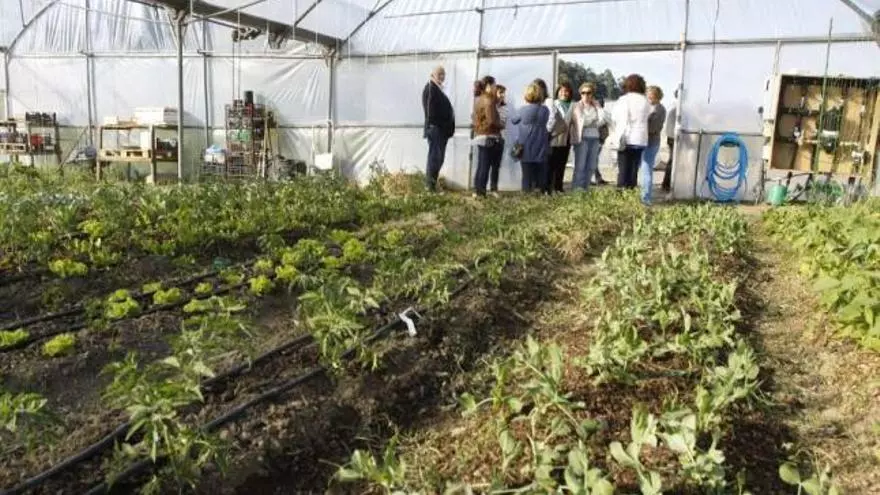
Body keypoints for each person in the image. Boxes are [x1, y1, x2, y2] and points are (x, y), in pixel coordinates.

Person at [610, 73, 651, 190]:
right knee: (634, 170)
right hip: (640, 139)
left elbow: (615, 117)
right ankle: (631, 193)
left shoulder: (624, 99)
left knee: (623, 170)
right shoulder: (645, 101)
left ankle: (621, 194)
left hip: (626, 138)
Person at [512, 83, 550, 193]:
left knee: (527, 175)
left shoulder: (522, 110)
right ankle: (540, 192)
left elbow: (514, 121)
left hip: (525, 146)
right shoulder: (545, 110)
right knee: (540, 173)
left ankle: (527, 193)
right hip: (541, 145)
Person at [422, 66, 455, 192]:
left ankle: (432, 184)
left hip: (440, 130)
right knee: (434, 158)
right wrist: (441, 125)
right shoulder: (431, 88)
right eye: (439, 74)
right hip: (436, 129)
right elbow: (431, 112)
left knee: (438, 158)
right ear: (432, 75)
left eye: (443, 74)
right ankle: (429, 187)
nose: (442, 76)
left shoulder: (437, 89)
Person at [570, 82, 606, 192]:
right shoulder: (576, 106)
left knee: (591, 166)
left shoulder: (596, 106)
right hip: (582, 139)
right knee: (580, 166)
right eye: (583, 93)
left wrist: (598, 108)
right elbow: (582, 122)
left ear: (592, 94)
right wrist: (593, 120)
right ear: (580, 94)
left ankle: (585, 190)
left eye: (588, 93)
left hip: (595, 138)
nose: (586, 95)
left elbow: (603, 119)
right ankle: (577, 191)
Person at [471, 75, 503, 198]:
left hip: (481, 135)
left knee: (481, 164)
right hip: (489, 136)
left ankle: (477, 189)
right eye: (494, 85)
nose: (495, 88)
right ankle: (481, 192)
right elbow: (491, 120)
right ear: (489, 86)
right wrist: (501, 125)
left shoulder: (479, 99)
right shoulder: (488, 100)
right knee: (486, 165)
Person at [641, 85, 667, 205]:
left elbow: (653, 128)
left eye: (651, 96)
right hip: (646, 142)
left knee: (647, 169)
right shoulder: (650, 107)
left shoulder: (659, 109)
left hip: (651, 142)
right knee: (645, 169)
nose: (649, 98)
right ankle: (645, 195)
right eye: (648, 96)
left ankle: (646, 198)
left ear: (657, 96)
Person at [547, 83, 575, 193]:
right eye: (561, 91)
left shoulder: (573, 105)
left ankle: (558, 187)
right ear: (558, 92)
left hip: (567, 138)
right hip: (554, 137)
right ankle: (549, 187)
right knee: (551, 163)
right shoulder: (553, 104)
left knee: (562, 163)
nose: (564, 93)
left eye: (566, 91)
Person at [490, 84, 509, 197]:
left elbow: (502, 123)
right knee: (485, 165)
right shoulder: (489, 105)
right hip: (489, 138)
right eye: (500, 93)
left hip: (500, 139)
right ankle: (481, 188)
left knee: (496, 166)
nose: (502, 95)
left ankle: (494, 188)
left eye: (503, 93)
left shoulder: (504, 107)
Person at [661, 89, 678, 192]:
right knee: (672, 160)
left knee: (672, 160)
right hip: (674, 138)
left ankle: (666, 183)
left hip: (671, 137)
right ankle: (666, 183)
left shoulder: (673, 106)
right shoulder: (677, 108)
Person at [594, 97, 610, 186]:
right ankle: (597, 178)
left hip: (599, 139)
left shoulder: (601, 113)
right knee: (594, 159)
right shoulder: (602, 113)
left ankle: (597, 178)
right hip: (598, 139)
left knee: (594, 159)